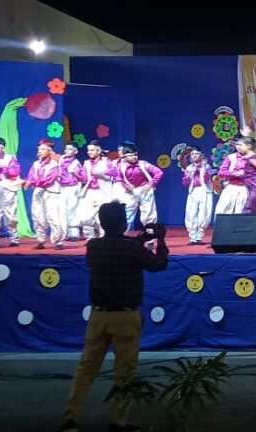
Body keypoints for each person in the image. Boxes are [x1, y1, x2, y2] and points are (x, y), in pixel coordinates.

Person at [57, 202, 168, 432]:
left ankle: (70, 418)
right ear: (124, 223)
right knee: (125, 372)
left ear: (102, 222)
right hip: (126, 317)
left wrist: (137, 241)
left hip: (98, 316)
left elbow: (119, 248)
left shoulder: (93, 246)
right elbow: (159, 264)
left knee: (86, 369)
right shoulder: (131, 249)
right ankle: (118, 422)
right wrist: (160, 240)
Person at [24, 139, 66, 250]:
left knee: (54, 217)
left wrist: (31, 182)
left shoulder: (54, 164)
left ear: (49, 151)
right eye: (39, 149)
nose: (40, 151)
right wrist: (28, 181)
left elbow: (49, 179)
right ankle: (40, 240)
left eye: (43, 149)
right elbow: (31, 176)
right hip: (38, 193)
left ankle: (59, 241)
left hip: (51, 193)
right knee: (38, 216)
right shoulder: (36, 164)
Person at [115, 144, 162, 231]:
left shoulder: (143, 164)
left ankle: (150, 236)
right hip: (131, 192)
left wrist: (151, 184)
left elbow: (158, 172)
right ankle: (123, 236)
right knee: (128, 214)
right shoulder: (121, 166)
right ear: (124, 157)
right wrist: (126, 186)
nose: (134, 157)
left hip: (145, 190)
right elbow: (120, 179)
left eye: (135, 155)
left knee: (148, 214)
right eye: (131, 155)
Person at [78, 141, 114, 240]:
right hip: (90, 191)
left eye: (92, 150)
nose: (89, 152)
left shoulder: (106, 161)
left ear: (98, 151)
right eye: (88, 150)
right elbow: (84, 179)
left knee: (103, 217)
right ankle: (90, 239)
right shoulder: (86, 163)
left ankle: (104, 239)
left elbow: (115, 172)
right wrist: (76, 175)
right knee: (86, 217)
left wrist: (100, 172)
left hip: (103, 192)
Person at [181, 147, 213, 245]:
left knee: (204, 212)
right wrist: (190, 173)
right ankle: (192, 237)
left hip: (205, 191)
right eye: (193, 154)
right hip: (194, 191)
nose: (194, 156)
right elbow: (185, 182)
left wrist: (203, 169)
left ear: (201, 156)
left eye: (197, 154)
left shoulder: (206, 166)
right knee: (191, 213)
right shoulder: (189, 168)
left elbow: (207, 179)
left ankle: (199, 236)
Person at [59, 142, 84, 241]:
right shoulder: (62, 159)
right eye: (66, 149)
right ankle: (66, 232)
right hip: (63, 187)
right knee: (63, 210)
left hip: (73, 187)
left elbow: (81, 177)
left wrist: (74, 174)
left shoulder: (76, 163)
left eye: (70, 149)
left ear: (75, 151)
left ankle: (74, 233)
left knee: (73, 209)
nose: (67, 151)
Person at [215, 148, 248, 216]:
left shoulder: (251, 158)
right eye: (238, 144)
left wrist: (245, 173)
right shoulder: (231, 157)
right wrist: (234, 173)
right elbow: (221, 172)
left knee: (241, 210)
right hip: (231, 186)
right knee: (223, 209)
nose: (240, 147)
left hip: (245, 187)